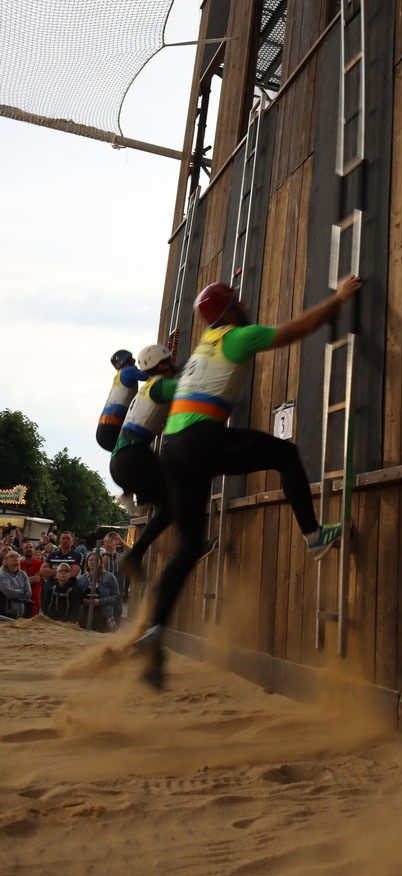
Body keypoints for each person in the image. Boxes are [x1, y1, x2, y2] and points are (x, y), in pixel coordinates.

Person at [133, 273, 362, 688]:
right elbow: (299, 329)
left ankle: (155, 631)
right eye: (238, 302)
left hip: (173, 450)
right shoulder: (238, 337)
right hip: (202, 440)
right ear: (230, 311)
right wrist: (338, 298)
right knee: (286, 454)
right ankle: (313, 535)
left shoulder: (204, 347)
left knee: (187, 547)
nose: (245, 305)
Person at [110, 344, 218, 583]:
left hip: (120, 461)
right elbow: (193, 392)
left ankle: (138, 554)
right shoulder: (163, 385)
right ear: (161, 365)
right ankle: (190, 547)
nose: (174, 362)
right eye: (170, 360)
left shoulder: (148, 388)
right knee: (182, 492)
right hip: (134, 457)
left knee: (169, 504)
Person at [96, 348, 140, 452]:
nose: (134, 360)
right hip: (113, 426)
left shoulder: (119, 375)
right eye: (131, 358)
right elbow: (150, 373)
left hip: (103, 428)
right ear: (125, 361)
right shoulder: (128, 371)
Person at [39, 529, 83, 613]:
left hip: (68, 589)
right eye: (63, 538)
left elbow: (73, 573)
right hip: (51, 588)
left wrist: (53, 572)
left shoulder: (77, 555)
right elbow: (42, 571)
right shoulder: (52, 554)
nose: (65, 540)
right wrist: (63, 570)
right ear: (60, 541)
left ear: (72, 541)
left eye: (68, 538)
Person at [77, 550, 121, 632]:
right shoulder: (81, 580)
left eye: (96, 559)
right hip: (84, 616)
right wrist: (83, 601)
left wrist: (100, 602)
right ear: (87, 563)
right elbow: (76, 597)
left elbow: (116, 596)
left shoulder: (110, 577)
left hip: (104, 616)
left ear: (100, 562)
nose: (93, 562)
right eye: (90, 560)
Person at [0, 551, 33, 619]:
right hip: (6, 613)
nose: (16, 557)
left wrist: (15, 593)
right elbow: (9, 593)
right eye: (12, 556)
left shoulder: (23, 574)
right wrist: (22, 591)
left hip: (22, 612)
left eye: (17, 556)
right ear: (6, 561)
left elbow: (29, 594)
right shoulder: (2, 575)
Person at [19, 540, 44, 616]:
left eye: (30, 547)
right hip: (20, 598)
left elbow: (36, 579)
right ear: (23, 550)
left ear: (34, 550)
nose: (28, 549)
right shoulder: (19, 564)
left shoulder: (40, 563)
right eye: (26, 547)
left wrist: (21, 581)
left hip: (34, 599)